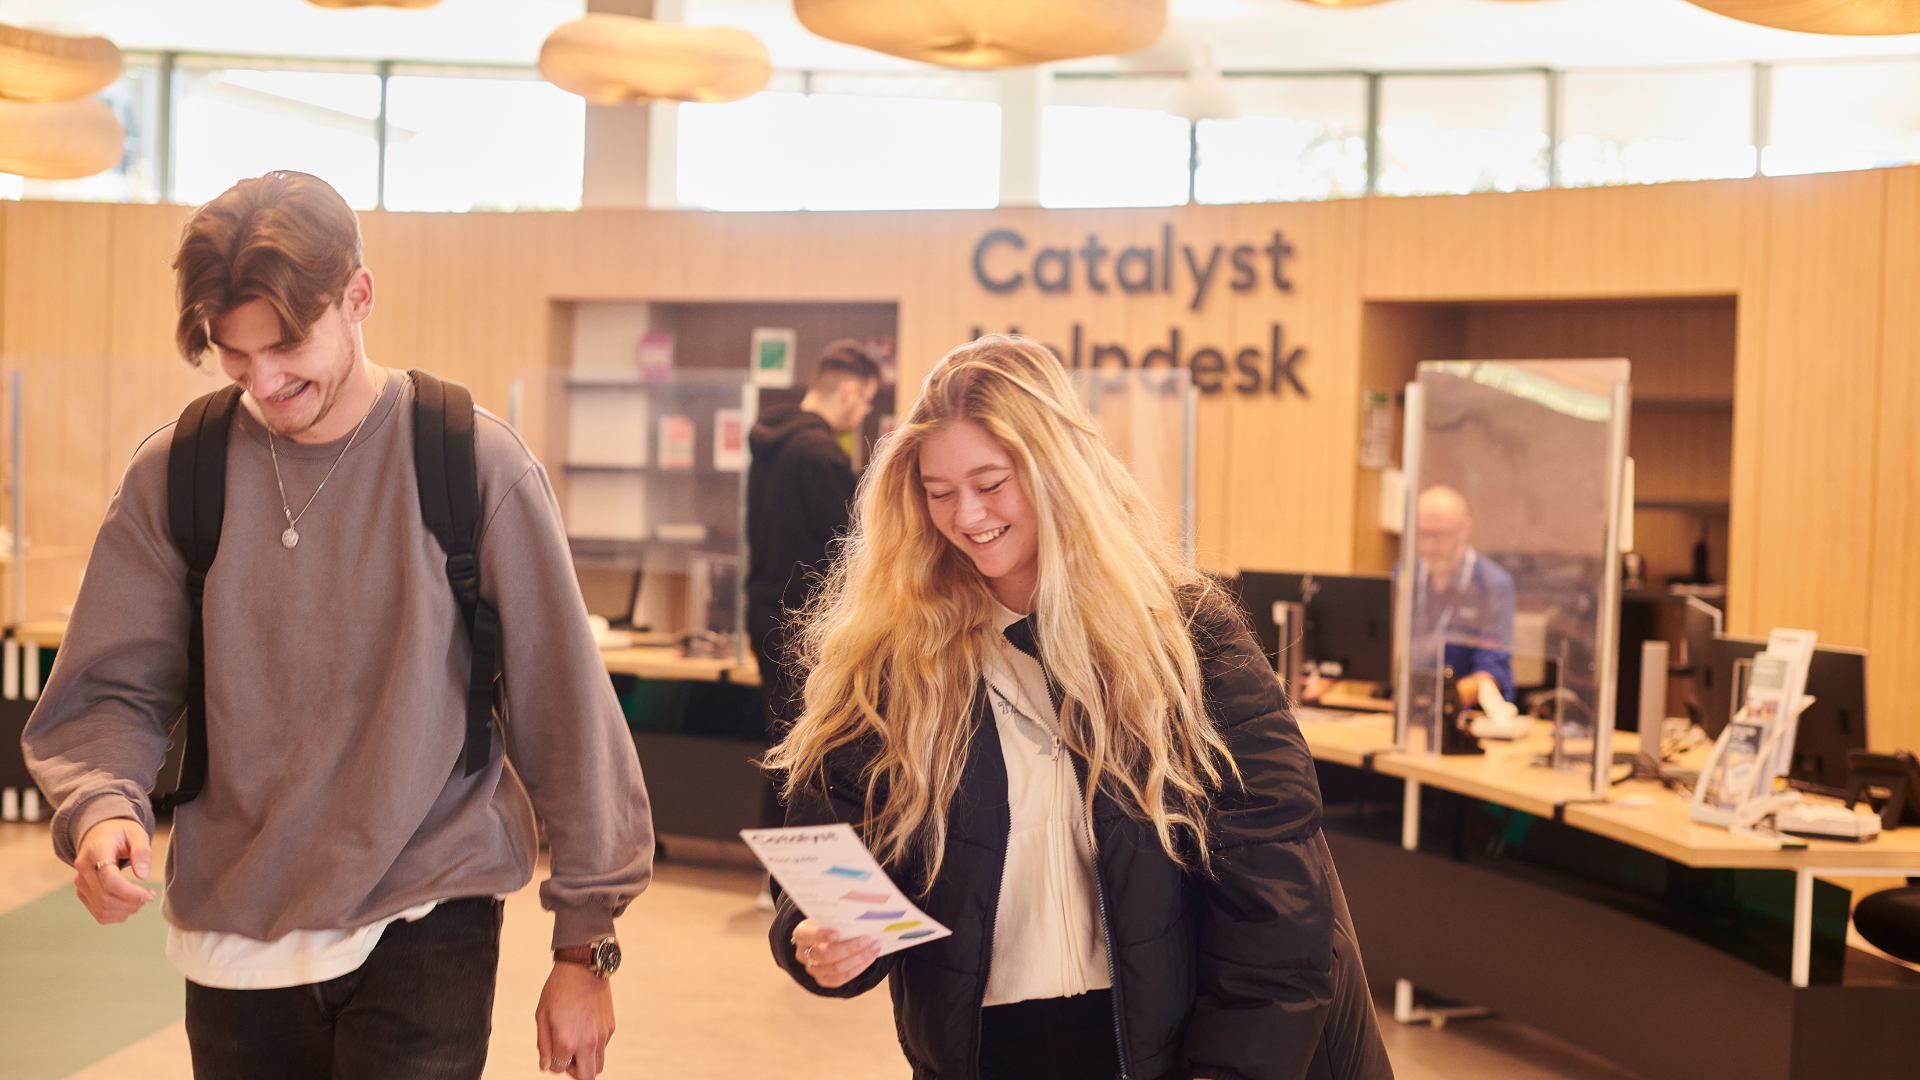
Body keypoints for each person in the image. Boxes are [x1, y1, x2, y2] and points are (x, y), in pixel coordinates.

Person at [22, 171, 652, 1080]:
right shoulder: (178, 473)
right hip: (234, 927)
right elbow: (112, 687)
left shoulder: (469, 461)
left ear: (358, 295)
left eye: (286, 345)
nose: (265, 381)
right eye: (234, 355)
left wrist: (584, 948)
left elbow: (567, 710)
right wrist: (100, 808)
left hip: (429, 904)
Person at [762, 335, 1391, 1080]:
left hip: (1167, 1053)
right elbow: (827, 851)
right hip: (983, 1056)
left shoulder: (1184, 639)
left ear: (1056, 472)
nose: (966, 516)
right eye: (938, 492)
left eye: (992, 483)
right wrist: (819, 938)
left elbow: (1278, 907)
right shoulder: (894, 657)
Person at [745, 340, 881, 735]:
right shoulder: (820, 453)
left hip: (763, 613)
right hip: (804, 623)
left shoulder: (771, 443)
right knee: (810, 754)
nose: (864, 412)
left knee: (783, 744)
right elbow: (852, 544)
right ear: (848, 392)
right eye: (867, 400)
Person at [1411, 485, 1516, 708]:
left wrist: (1437, 700)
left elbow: (1491, 673)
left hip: (1464, 713)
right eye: (1422, 534)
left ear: (1464, 529)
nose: (1429, 545)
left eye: (1438, 535)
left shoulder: (1491, 584)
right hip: (1405, 706)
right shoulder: (1405, 575)